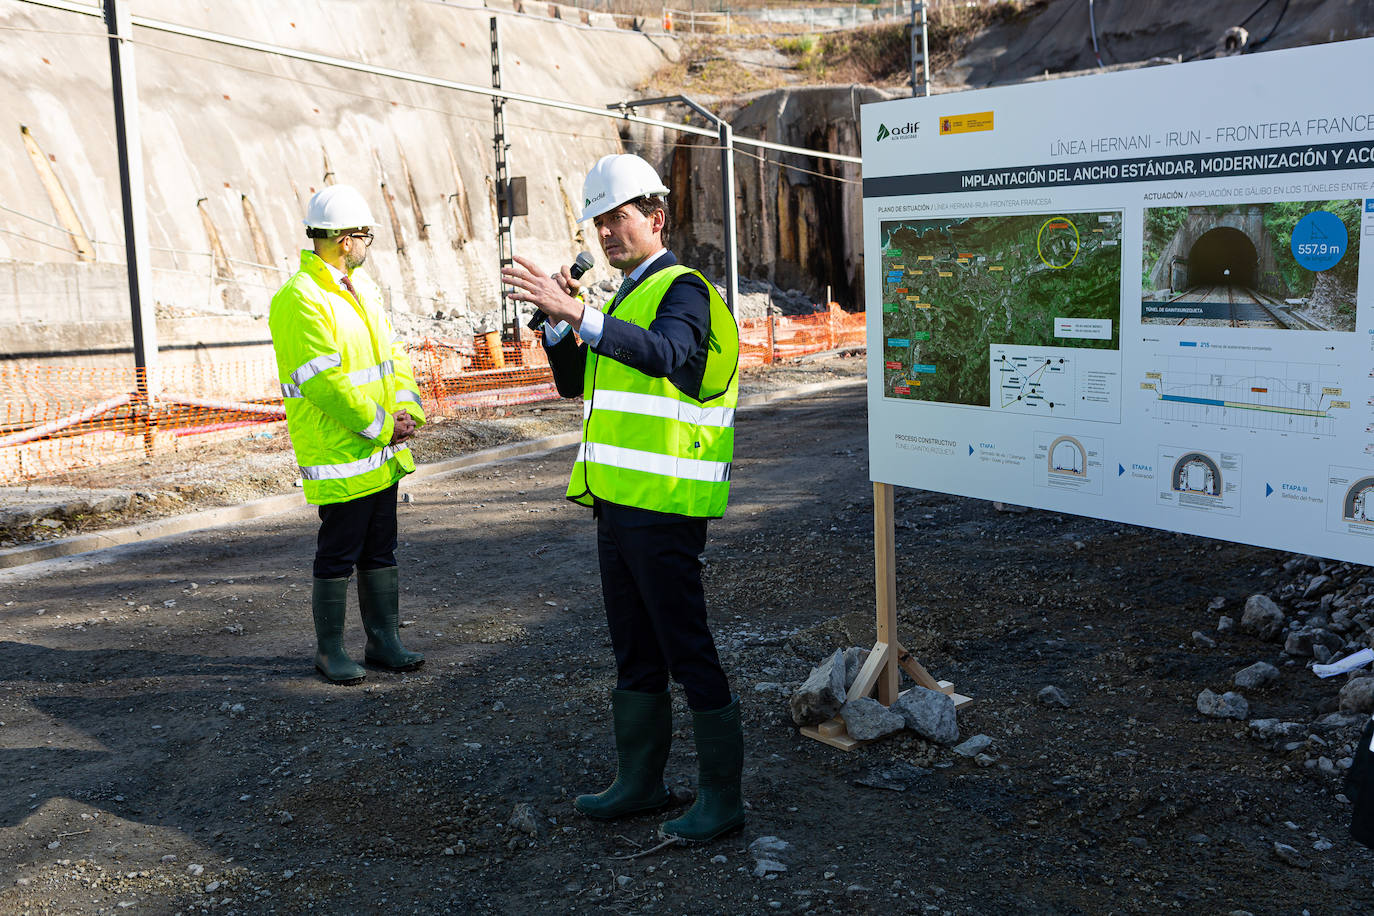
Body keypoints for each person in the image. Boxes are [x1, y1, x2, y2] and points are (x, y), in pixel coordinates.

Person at [501, 153, 743, 843]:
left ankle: (722, 800)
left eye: (620, 217)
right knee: (635, 650)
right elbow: (577, 383)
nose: (608, 232)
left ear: (655, 218)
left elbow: (668, 355)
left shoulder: (684, 290)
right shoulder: (625, 298)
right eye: (600, 221)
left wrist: (578, 311)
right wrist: (557, 325)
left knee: (686, 647)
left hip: (665, 505)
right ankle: (640, 782)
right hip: (619, 503)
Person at [269, 184, 426, 685]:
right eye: (365, 236)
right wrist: (383, 426)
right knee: (338, 551)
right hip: (342, 452)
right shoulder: (300, 299)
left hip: (378, 452)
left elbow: (392, 355)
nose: (368, 245)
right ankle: (329, 651)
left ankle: (383, 640)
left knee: (381, 548)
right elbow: (323, 382)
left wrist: (406, 408)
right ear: (342, 239)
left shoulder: (362, 290)